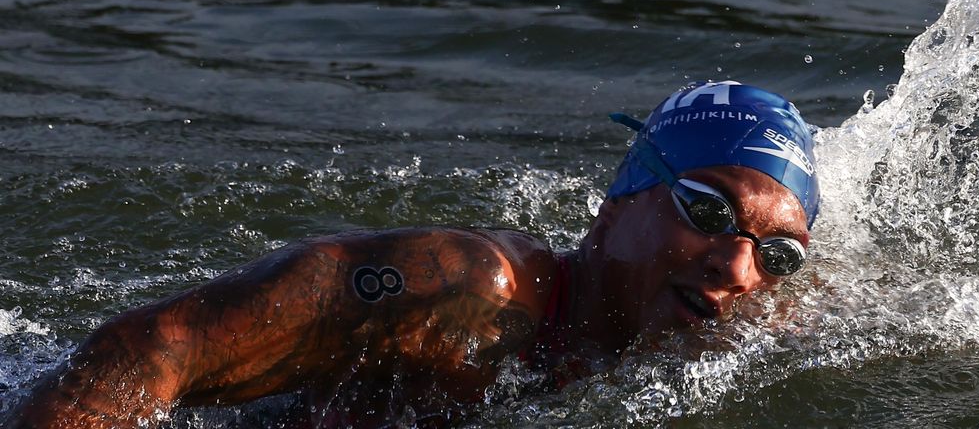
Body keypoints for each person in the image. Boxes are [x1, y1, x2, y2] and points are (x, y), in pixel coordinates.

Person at [3, 81, 819, 429]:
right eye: (706, 210)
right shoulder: (469, 290)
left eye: (776, 255)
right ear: (623, 197)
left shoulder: (733, 339)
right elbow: (157, 349)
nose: (735, 268)